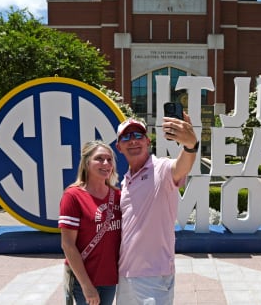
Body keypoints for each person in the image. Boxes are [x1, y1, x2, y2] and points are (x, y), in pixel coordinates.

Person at [115, 114, 199, 305]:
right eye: (126, 137)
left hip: (154, 276)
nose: (133, 140)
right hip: (125, 274)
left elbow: (181, 166)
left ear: (147, 140)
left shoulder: (161, 169)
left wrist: (190, 146)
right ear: (119, 147)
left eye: (138, 135)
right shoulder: (125, 181)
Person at [59, 140, 122, 305]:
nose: (106, 163)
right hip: (84, 280)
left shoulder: (118, 195)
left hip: (110, 278)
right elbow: (68, 245)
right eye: (99, 159)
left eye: (109, 160)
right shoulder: (73, 196)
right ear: (86, 163)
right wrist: (86, 285)